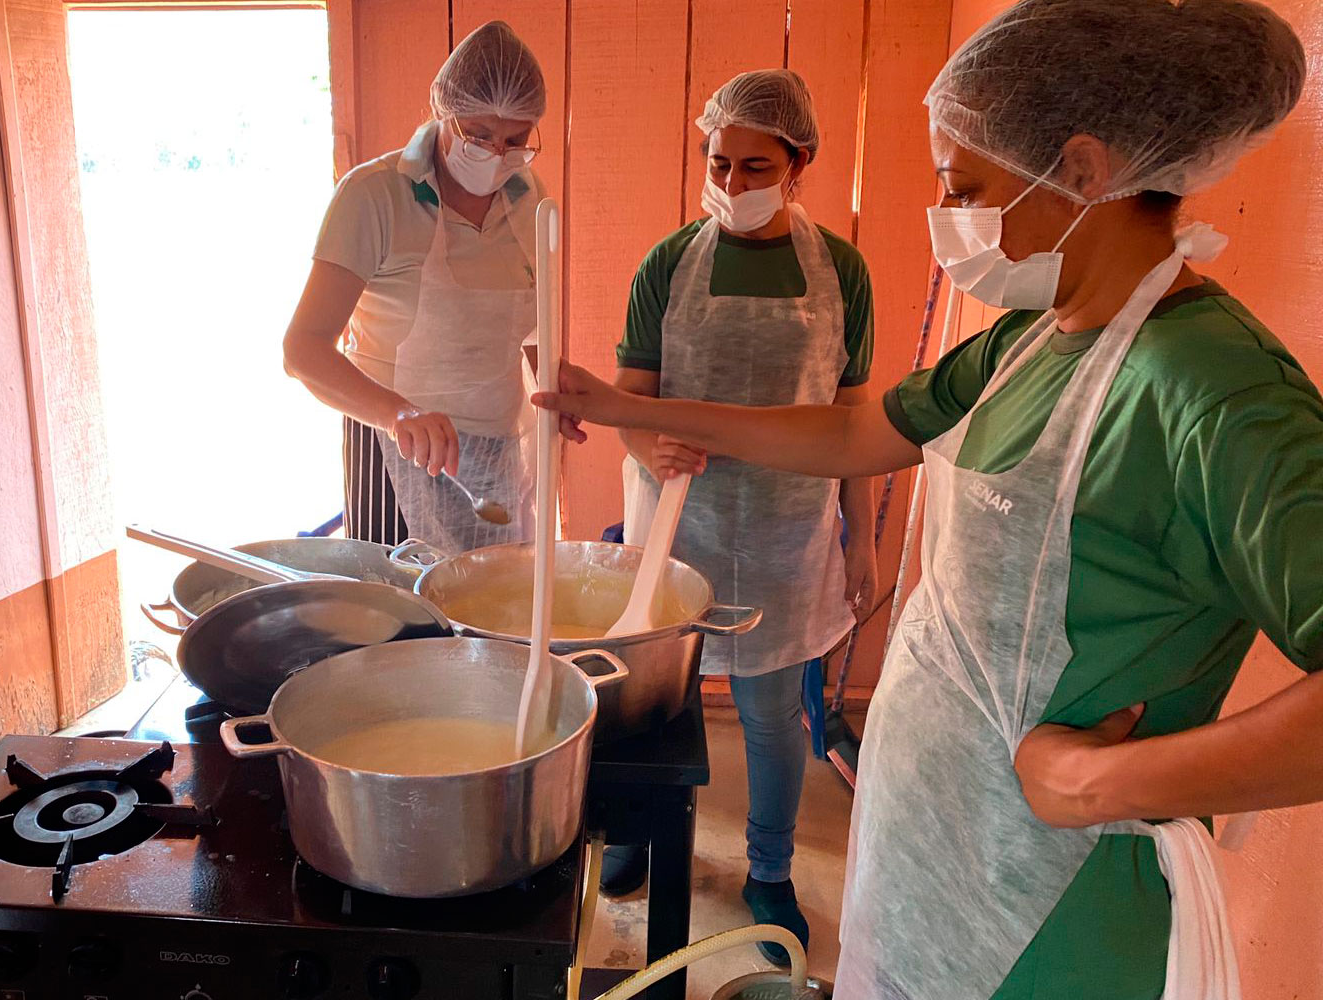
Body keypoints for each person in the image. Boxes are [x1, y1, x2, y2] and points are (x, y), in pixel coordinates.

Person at [535, 1, 1321, 996]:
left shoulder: (1217, 393)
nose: (951, 220)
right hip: (932, 848)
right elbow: (857, 432)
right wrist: (616, 404)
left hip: (1046, 897)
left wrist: (1092, 781)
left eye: (965, 188)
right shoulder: (1031, 337)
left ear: (1079, 171)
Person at [597, 69, 877, 966]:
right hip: (682, 521)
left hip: (793, 531)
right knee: (649, 703)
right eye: (719, 162)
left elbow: (857, 423)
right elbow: (632, 402)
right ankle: (636, 829)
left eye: (756, 166)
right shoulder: (667, 263)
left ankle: (769, 870)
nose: (732, 183)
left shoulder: (844, 273)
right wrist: (648, 447)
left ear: (802, 163)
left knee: (771, 714)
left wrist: (860, 534)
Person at [284, 21, 547, 553]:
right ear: (442, 113)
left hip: (497, 458)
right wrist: (399, 413)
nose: (497, 155)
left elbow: (532, 329)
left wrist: (554, 398)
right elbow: (303, 350)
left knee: (493, 622)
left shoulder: (528, 195)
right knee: (404, 621)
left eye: (515, 140)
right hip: (393, 450)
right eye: (477, 136)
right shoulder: (373, 196)